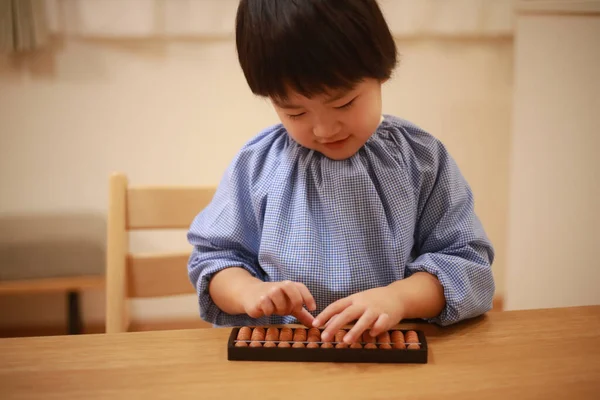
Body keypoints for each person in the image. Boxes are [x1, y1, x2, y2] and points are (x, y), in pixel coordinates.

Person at [187, 0, 495, 345]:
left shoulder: (420, 159)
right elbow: (215, 260)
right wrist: (249, 291)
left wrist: (397, 298)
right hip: (280, 353)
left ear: (381, 71)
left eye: (344, 103)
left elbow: (466, 264)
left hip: (389, 349)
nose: (323, 129)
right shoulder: (257, 164)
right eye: (295, 113)